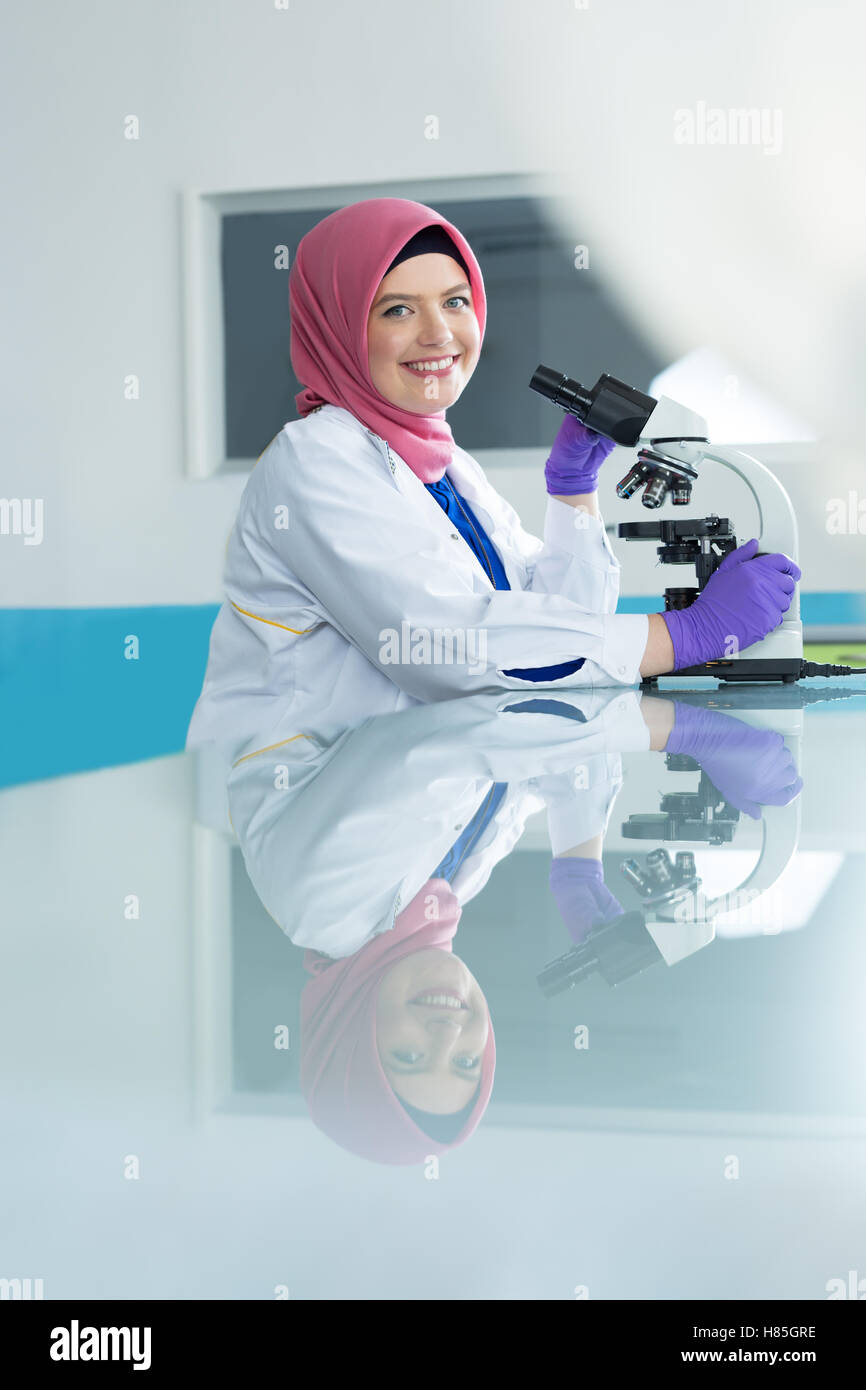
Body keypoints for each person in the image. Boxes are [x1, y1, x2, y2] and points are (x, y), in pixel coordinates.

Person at [186, 197, 800, 745]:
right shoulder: (313, 460)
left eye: (455, 302)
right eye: (398, 310)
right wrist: (687, 634)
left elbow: (549, 635)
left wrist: (573, 493)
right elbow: (450, 649)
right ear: (339, 329)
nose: (439, 334)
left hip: (416, 823)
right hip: (310, 810)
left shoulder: (447, 467)